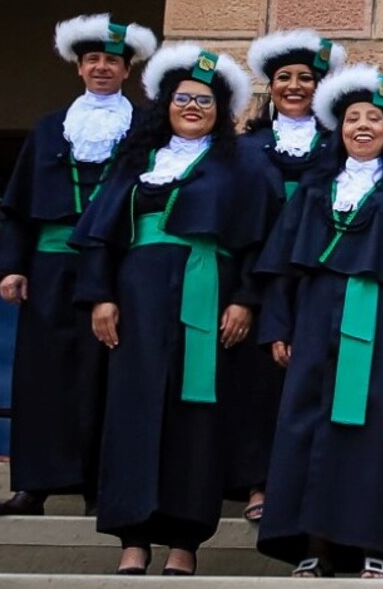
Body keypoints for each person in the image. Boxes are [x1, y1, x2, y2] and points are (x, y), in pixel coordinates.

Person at [71, 43, 269, 577]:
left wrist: (244, 300)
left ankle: (185, 540)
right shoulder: (137, 162)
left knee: (195, 417)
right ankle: (133, 539)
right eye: (183, 98)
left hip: (207, 301)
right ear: (166, 104)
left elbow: (259, 243)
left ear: (221, 111)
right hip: (136, 303)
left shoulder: (243, 166)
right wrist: (101, 297)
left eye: (205, 101)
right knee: (133, 413)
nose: (193, 107)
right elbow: (98, 237)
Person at [255, 65, 383, 579]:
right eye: (353, 118)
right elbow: (282, 268)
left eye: (374, 119)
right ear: (338, 128)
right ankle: (312, 546)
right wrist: (279, 326)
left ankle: (369, 547)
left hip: (380, 321)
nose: (362, 126)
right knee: (307, 430)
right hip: (314, 319)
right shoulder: (314, 191)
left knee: (370, 436)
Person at [0, 14, 156, 518]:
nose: (101, 67)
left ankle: (98, 487)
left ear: (126, 70)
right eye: (92, 60)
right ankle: (33, 486)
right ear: (79, 69)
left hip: (117, 266)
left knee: (105, 375)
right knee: (42, 376)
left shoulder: (147, 128)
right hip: (51, 266)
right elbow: (17, 204)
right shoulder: (47, 128)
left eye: (111, 60)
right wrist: (12, 266)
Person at [231, 29, 347, 525]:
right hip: (253, 273)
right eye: (285, 78)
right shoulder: (244, 147)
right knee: (257, 380)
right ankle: (258, 482)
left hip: (318, 274)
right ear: (269, 86)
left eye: (306, 78)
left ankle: (314, 482)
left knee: (317, 378)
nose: (295, 86)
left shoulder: (339, 145)